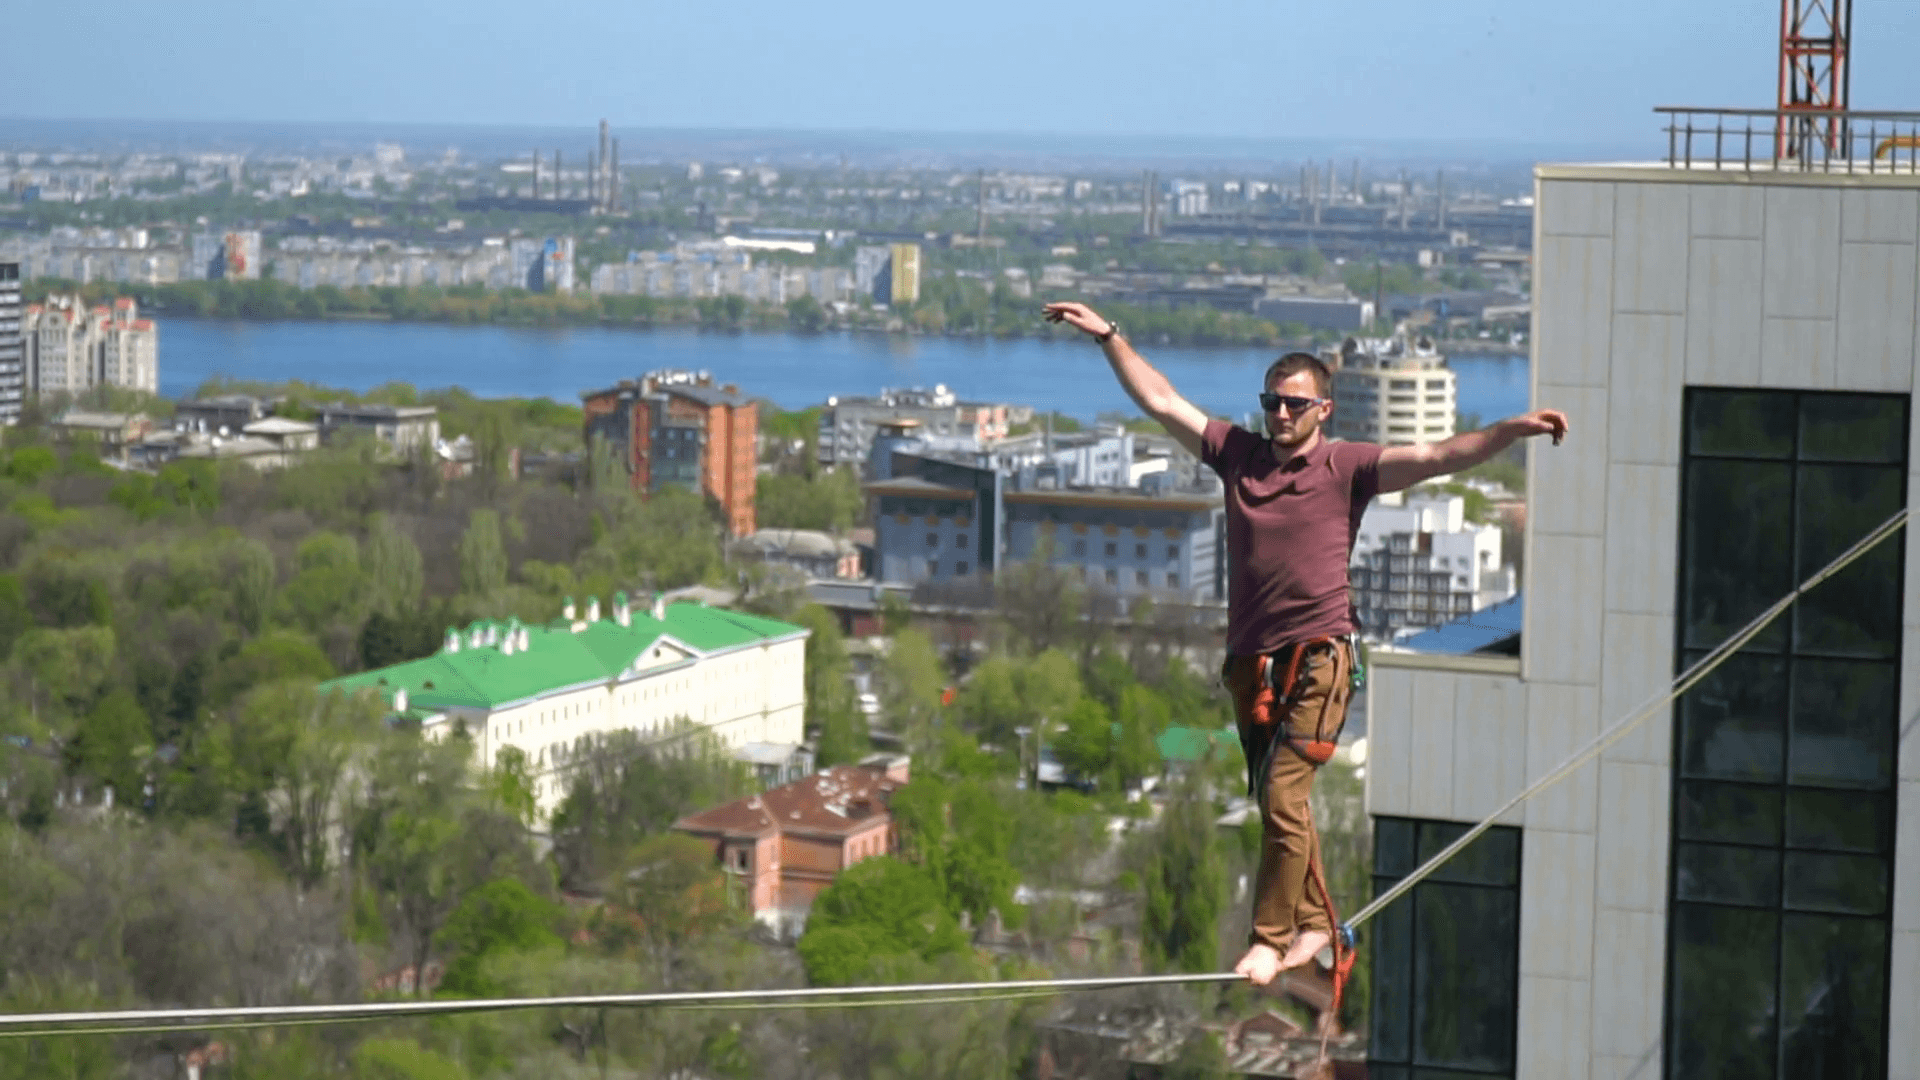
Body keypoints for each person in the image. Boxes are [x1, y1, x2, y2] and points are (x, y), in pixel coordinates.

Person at [1043, 301, 1568, 987]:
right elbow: (1163, 400)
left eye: (1294, 406)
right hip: (1249, 666)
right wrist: (1110, 336)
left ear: (1323, 409)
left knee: (1286, 795)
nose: (1280, 416)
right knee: (1275, 799)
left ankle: (1269, 938)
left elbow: (1438, 456)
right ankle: (1316, 921)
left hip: (1320, 656)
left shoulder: (1347, 467)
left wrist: (1513, 430)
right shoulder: (1238, 456)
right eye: (1271, 403)